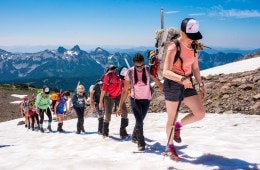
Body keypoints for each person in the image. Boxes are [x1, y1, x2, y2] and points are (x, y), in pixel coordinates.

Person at [162, 18, 206, 161]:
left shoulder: (194, 47)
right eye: (190, 36)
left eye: (194, 37)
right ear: (182, 32)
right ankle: (171, 149)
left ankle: (179, 126)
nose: (192, 40)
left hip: (187, 83)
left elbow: (195, 68)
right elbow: (165, 72)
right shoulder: (173, 47)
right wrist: (182, 79)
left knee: (199, 113)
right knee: (171, 119)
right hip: (173, 84)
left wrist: (200, 84)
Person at [117, 53, 163, 151]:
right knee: (139, 121)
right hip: (135, 100)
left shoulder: (147, 70)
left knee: (140, 120)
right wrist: (120, 106)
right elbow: (125, 90)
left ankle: (134, 136)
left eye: (142, 65)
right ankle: (141, 143)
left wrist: (167, 93)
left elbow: (157, 81)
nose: (140, 68)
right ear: (134, 64)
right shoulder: (129, 73)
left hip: (146, 99)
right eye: (137, 66)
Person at [98, 65, 129, 139]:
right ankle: (105, 132)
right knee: (108, 114)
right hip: (109, 97)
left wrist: (120, 106)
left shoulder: (122, 77)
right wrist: (100, 101)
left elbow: (125, 89)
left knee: (125, 112)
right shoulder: (108, 76)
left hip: (118, 95)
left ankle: (123, 131)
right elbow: (103, 90)